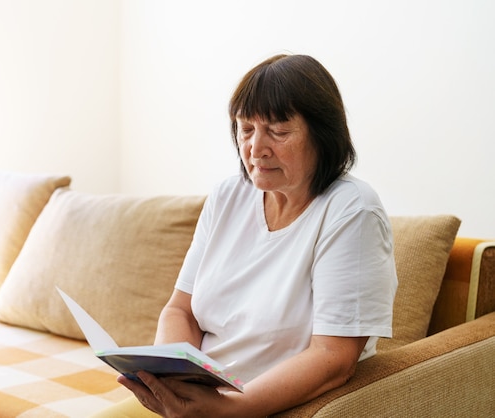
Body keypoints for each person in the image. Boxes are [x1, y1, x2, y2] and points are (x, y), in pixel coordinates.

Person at [90, 54, 397, 418]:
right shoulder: (228, 196)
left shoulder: (352, 211)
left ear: (323, 133)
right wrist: (170, 379)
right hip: (201, 402)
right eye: (246, 129)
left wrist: (231, 408)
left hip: (263, 406)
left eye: (279, 131)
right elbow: (181, 310)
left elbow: (334, 358)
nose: (255, 148)